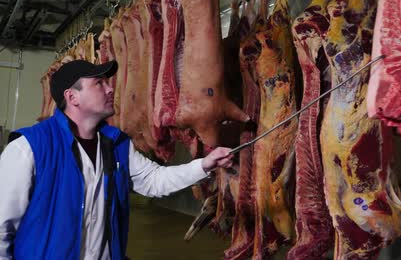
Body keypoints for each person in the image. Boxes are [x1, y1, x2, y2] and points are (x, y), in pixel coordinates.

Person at [0, 60, 236, 260]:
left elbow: (153, 180)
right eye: (99, 83)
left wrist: (205, 164)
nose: (110, 89)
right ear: (72, 97)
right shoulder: (29, 148)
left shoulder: (117, 144)